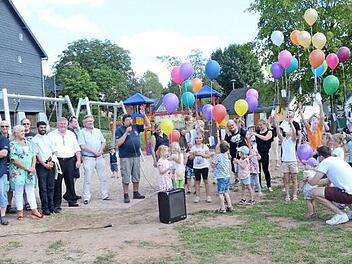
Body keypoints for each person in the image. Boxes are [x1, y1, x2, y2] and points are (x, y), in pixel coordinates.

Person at [307, 146, 352, 225]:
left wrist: (308, 179)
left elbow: (313, 182)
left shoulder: (325, 162)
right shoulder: (338, 160)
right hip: (349, 191)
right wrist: (314, 182)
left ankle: (340, 214)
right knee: (342, 189)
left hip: (348, 194)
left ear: (321, 156)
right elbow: (327, 180)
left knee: (313, 192)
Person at [115, 112, 151, 203]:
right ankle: (126, 194)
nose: (129, 121)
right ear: (123, 122)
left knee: (136, 175)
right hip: (125, 156)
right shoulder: (119, 130)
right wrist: (126, 133)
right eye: (127, 120)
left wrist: (144, 115)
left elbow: (148, 125)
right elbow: (118, 143)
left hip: (136, 155)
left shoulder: (135, 127)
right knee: (126, 176)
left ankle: (136, 192)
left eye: (130, 119)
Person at [9, 125, 43, 220]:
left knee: (30, 190)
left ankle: (34, 210)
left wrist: (32, 168)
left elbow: (33, 155)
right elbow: (14, 159)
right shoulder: (12, 144)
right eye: (21, 131)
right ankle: (20, 211)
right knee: (19, 191)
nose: (23, 133)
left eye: (24, 131)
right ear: (16, 133)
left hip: (30, 171)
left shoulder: (29, 142)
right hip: (18, 171)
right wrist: (27, 168)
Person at [48, 117, 81, 210]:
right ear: (57, 124)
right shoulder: (51, 135)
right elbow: (49, 150)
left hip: (70, 160)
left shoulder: (71, 134)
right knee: (57, 182)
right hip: (57, 160)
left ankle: (72, 200)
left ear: (67, 124)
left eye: (64, 124)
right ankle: (57, 204)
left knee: (70, 181)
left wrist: (78, 160)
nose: (63, 125)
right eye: (61, 124)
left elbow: (77, 148)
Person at [78, 115, 110, 205]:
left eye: (91, 121)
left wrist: (100, 151)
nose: (90, 122)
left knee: (103, 177)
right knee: (88, 178)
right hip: (88, 158)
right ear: (84, 123)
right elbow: (82, 145)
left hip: (99, 157)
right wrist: (94, 152)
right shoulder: (81, 132)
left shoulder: (97, 131)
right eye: (88, 121)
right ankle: (86, 197)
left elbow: (103, 141)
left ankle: (105, 194)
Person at [31, 121, 56, 215]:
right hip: (41, 165)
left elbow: (53, 151)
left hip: (51, 164)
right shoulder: (34, 140)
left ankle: (51, 206)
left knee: (51, 186)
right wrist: (44, 164)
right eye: (41, 127)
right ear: (37, 128)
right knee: (43, 188)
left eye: (44, 127)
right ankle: (45, 208)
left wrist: (51, 162)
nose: (43, 129)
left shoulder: (49, 138)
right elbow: (36, 154)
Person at [275, 117, 298, 201]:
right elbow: (278, 132)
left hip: (292, 161)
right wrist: (277, 124)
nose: (288, 132)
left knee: (294, 179)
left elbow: (295, 132)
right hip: (285, 161)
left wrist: (291, 123)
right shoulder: (284, 140)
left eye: (290, 131)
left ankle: (295, 194)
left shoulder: (293, 140)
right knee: (286, 179)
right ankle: (287, 195)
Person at [250, 119, 273, 192]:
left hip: (265, 153)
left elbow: (266, 138)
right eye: (259, 125)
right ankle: (258, 185)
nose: (259, 127)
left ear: (265, 124)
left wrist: (256, 134)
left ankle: (269, 185)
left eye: (261, 125)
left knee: (265, 169)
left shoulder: (269, 132)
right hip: (257, 153)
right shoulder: (257, 132)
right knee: (257, 170)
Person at [224, 119, 247, 190]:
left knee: (243, 166)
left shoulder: (241, 131)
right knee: (234, 168)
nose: (231, 127)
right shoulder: (228, 134)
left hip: (242, 153)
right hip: (233, 153)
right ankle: (236, 179)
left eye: (232, 125)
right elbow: (226, 143)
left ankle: (244, 180)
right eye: (229, 126)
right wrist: (228, 153)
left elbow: (247, 138)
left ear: (235, 124)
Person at [211, 141, 233, 213]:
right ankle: (230, 206)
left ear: (219, 148)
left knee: (220, 193)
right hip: (227, 176)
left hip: (221, 177)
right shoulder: (226, 155)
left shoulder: (217, 156)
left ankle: (222, 208)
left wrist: (212, 161)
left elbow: (213, 165)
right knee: (226, 192)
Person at [189, 133, 211, 203]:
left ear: (202, 138)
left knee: (206, 181)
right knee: (197, 182)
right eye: (197, 138)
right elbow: (190, 158)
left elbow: (208, 155)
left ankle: (208, 196)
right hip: (196, 167)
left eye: (200, 138)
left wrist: (202, 154)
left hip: (204, 166)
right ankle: (198, 196)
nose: (198, 139)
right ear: (195, 139)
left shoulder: (205, 147)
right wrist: (194, 155)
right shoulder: (193, 148)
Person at [0, 131, 9, 225]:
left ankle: (2, 216)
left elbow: (4, 153)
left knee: (2, 194)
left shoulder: (3, 139)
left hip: (1, 172)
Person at [68, 116, 81, 181]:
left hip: (74, 156)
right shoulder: (69, 132)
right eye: (75, 121)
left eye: (77, 121)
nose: (77, 123)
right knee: (73, 175)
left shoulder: (73, 131)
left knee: (75, 175)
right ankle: (71, 190)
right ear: (70, 123)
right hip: (72, 156)